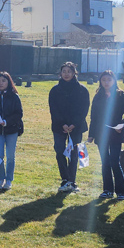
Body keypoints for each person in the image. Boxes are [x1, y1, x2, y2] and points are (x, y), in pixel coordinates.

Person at [49, 62, 90, 193]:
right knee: (59, 151)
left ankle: (72, 181)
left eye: (69, 71)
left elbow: (84, 109)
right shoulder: (55, 90)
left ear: (74, 73)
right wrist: (63, 123)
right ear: (60, 73)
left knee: (73, 152)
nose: (66, 74)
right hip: (59, 126)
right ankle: (65, 179)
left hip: (76, 127)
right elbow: (53, 109)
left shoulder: (82, 90)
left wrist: (74, 124)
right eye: (64, 71)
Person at [88, 70, 124, 200]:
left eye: (109, 80)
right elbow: (94, 117)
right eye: (103, 80)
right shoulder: (98, 96)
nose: (106, 82)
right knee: (105, 161)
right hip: (101, 134)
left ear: (114, 81)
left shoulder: (121, 96)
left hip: (116, 133)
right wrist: (91, 134)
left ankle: (122, 191)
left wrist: (122, 126)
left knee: (114, 161)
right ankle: (107, 190)